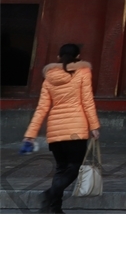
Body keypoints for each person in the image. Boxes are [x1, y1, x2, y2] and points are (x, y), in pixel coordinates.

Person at [20, 43, 100, 213]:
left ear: (58, 57)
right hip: (76, 129)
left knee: (61, 168)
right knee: (75, 167)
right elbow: (87, 101)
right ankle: (50, 194)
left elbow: (42, 108)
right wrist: (94, 126)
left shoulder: (49, 76)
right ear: (78, 56)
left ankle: (54, 208)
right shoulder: (83, 72)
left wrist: (31, 134)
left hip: (55, 131)